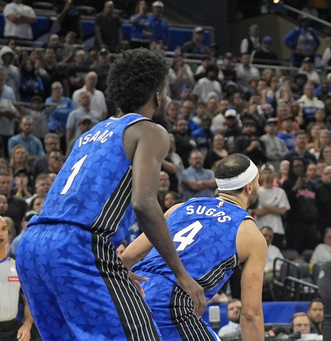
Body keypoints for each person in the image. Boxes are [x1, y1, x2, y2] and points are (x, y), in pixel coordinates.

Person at [15, 48, 206, 340]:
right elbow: (144, 203)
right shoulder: (150, 131)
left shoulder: (88, 135)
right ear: (156, 95)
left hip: (34, 246)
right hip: (78, 247)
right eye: (164, 92)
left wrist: (107, 267)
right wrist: (181, 273)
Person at [121, 153, 266, 340]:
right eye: (257, 182)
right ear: (248, 187)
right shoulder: (250, 233)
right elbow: (250, 315)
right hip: (173, 302)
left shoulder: (179, 208)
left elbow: (128, 257)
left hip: (134, 296)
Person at [0, 216, 34, 341]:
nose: (0, 233)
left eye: (3, 229)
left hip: (13, 330)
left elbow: (29, 301)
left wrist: (27, 325)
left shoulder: (18, 264)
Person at [253, 163, 289, 249]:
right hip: (260, 228)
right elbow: (257, 212)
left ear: (274, 174)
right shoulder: (257, 193)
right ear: (261, 175)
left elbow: (283, 211)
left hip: (277, 229)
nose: (267, 175)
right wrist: (274, 207)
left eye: (269, 173)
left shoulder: (280, 192)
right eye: (265, 173)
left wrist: (265, 206)